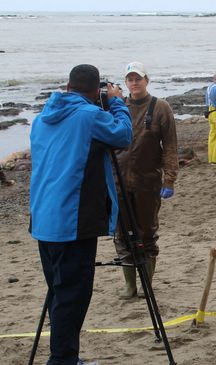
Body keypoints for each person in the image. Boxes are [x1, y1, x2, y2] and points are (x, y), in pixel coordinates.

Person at [29, 64, 133, 365]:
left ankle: (65, 357)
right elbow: (123, 135)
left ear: (67, 86)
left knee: (59, 293)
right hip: (72, 223)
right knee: (72, 297)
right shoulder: (88, 116)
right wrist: (115, 102)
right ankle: (62, 360)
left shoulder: (41, 118)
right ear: (95, 89)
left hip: (43, 218)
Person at [114, 61, 178, 299]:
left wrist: (169, 180)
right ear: (125, 82)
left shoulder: (161, 108)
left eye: (138, 78)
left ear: (146, 80)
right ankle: (129, 285)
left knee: (147, 234)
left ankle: (146, 284)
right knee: (122, 234)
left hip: (147, 183)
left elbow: (170, 146)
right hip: (118, 181)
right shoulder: (117, 107)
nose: (134, 82)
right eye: (130, 79)